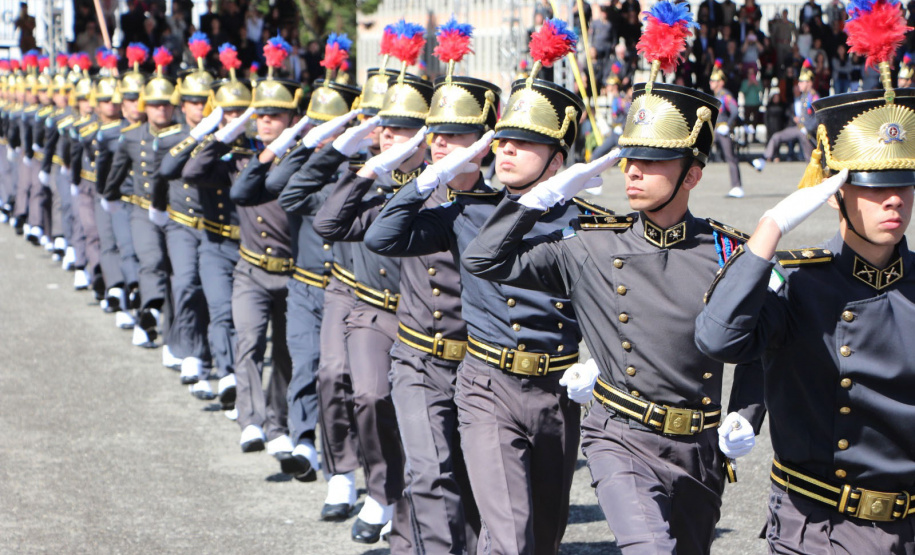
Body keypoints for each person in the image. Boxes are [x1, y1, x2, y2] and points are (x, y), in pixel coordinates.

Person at [461, 5, 764, 552]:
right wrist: (536, 201)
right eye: (630, 160)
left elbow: (760, 341)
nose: (633, 173)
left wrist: (746, 412)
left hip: (697, 448)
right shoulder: (594, 244)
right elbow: (485, 261)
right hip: (617, 435)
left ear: (691, 174)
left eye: (651, 163)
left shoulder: (727, 250)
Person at [364, 19, 601, 555]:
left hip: (558, 392)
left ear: (557, 159)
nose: (508, 151)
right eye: (504, 140)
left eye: (525, 143)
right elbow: (383, 235)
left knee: (544, 537)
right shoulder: (467, 213)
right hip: (487, 386)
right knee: (509, 538)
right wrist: (428, 176)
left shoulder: (584, 222)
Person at [696, 17, 915, 554]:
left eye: (905, 183)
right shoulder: (798, 282)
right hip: (816, 528)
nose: (895, 200)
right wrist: (768, 232)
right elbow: (718, 338)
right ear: (836, 193)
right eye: (874, 187)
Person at [312, 25, 432, 545]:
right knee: (367, 395)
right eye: (385, 129)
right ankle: (378, 490)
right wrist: (360, 165)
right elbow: (318, 213)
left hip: (422, 316)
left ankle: (408, 503)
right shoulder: (365, 180)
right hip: (368, 308)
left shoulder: (440, 184)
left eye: (404, 130)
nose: (391, 138)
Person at [753, 61, 819, 171]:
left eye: (801, 82)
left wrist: (808, 128)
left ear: (809, 82)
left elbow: (818, 117)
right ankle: (763, 160)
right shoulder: (804, 96)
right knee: (776, 136)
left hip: (808, 132)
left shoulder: (813, 96)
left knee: (811, 161)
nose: (799, 84)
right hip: (800, 128)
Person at [710, 61, 745, 198]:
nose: (711, 83)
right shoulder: (717, 95)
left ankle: (737, 186)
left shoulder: (726, 95)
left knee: (730, 157)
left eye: (714, 80)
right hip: (715, 130)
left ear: (720, 82)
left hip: (723, 130)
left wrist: (728, 125)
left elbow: (735, 111)